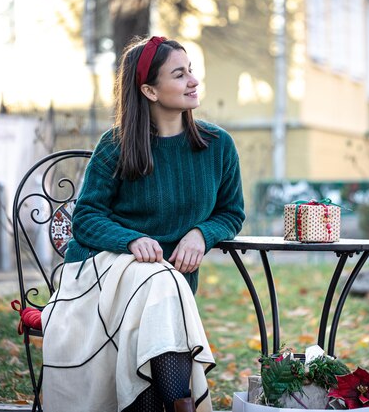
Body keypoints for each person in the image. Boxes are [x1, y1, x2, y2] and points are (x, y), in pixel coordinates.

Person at [40, 35, 245, 412]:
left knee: (160, 286)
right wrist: (132, 240)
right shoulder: (116, 146)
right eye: (179, 74)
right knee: (157, 278)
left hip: (166, 291)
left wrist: (203, 233)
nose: (193, 81)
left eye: (191, 71)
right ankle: (181, 402)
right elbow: (85, 218)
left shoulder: (218, 145)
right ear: (149, 90)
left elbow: (231, 212)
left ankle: (168, 402)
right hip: (104, 276)